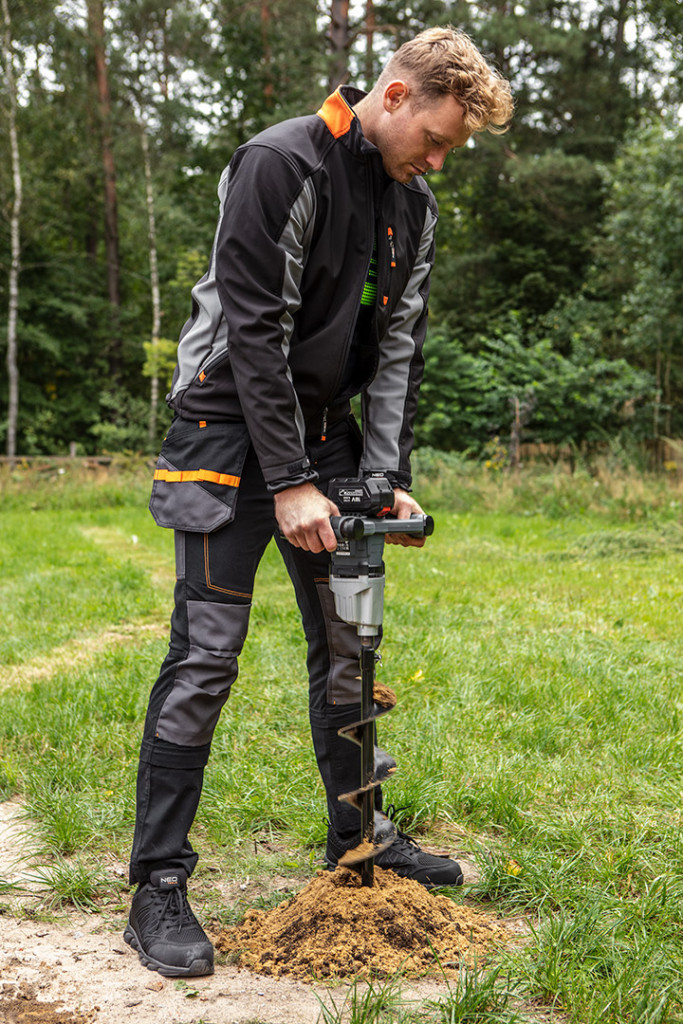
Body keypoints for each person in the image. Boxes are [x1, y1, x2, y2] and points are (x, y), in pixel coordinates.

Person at [124, 26, 513, 978]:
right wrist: (291, 481)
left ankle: (359, 839)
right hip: (227, 429)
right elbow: (255, 331)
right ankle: (157, 886)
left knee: (349, 647)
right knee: (206, 658)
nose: (438, 160)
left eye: (451, 150)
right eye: (436, 139)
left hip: (327, 438)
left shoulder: (412, 205)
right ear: (395, 96)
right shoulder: (281, 162)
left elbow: (398, 348)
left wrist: (382, 476)